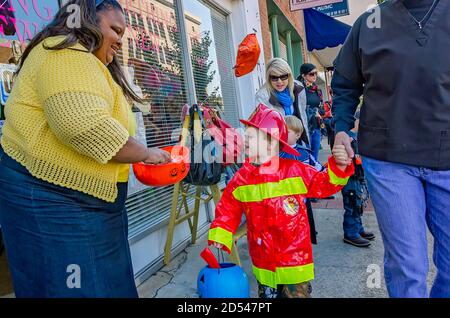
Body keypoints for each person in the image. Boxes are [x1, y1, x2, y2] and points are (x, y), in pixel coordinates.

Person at [0, 0, 170, 298]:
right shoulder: (63, 53)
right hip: (55, 202)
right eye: (115, 29)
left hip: (85, 205)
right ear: (88, 19)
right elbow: (85, 125)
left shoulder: (89, 62)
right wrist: (146, 154)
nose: (120, 39)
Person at [331, 0, 449, 297]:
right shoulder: (370, 23)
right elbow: (345, 84)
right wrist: (341, 128)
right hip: (388, 160)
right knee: (408, 266)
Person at [208, 104, 354, 298]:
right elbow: (228, 209)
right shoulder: (241, 179)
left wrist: (338, 166)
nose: (245, 141)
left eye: (251, 137)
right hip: (263, 259)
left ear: (270, 143)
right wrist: (221, 234)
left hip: (295, 258)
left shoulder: (295, 170)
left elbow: (324, 183)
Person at [280, 115, 323, 244]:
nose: (282, 133)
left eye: (287, 131)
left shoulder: (304, 153)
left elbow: (317, 168)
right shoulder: (276, 153)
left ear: (298, 134)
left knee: (300, 223)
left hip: (301, 196)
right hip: (281, 196)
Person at [255, 58, 310, 145]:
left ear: (289, 76)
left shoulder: (298, 88)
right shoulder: (263, 96)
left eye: (283, 76)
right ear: (268, 78)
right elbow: (263, 127)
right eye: (274, 78)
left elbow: (303, 115)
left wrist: (305, 139)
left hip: (298, 141)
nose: (279, 81)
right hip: (278, 144)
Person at [341, 112, 375, 248]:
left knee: (358, 204)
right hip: (350, 177)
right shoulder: (347, 137)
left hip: (359, 176)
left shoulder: (361, 137)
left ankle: (358, 228)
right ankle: (350, 232)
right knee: (352, 204)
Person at [298, 63, 324, 161]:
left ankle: (314, 175)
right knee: (305, 155)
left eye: (316, 73)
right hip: (303, 127)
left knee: (315, 156)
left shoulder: (317, 90)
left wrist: (318, 112)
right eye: (311, 74)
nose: (315, 76)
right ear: (304, 75)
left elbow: (322, 108)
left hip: (316, 126)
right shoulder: (298, 89)